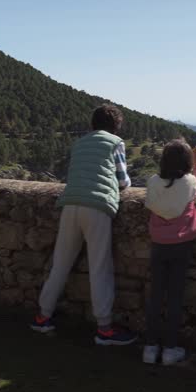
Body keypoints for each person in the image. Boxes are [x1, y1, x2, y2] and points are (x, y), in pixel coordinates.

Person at [30, 103, 138, 346]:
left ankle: (42, 317)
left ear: (93, 124)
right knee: (100, 267)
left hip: (70, 204)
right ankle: (105, 329)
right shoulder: (115, 142)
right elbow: (123, 181)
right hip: (97, 207)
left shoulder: (79, 144)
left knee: (60, 263)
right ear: (116, 126)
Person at [142, 140, 196, 365]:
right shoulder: (188, 181)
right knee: (175, 296)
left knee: (156, 295)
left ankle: (150, 348)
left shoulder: (153, 182)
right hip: (182, 244)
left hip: (158, 243)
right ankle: (169, 349)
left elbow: (152, 202)